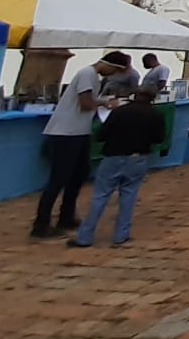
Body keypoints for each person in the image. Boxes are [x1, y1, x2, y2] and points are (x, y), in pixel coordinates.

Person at [33, 51, 130, 239]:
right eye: (114, 71)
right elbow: (85, 103)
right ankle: (41, 224)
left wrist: (103, 102)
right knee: (58, 179)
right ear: (109, 65)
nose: (112, 75)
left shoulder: (94, 77)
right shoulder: (87, 74)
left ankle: (66, 216)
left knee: (78, 175)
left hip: (79, 132)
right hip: (65, 133)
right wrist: (107, 104)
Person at [68, 86, 164, 248]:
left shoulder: (120, 112)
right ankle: (121, 235)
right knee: (129, 196)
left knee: (100, 196)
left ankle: (85, 236)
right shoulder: (156, 115)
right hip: (138, 158)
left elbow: (101, 135)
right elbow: (159, 138)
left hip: (113, 156)